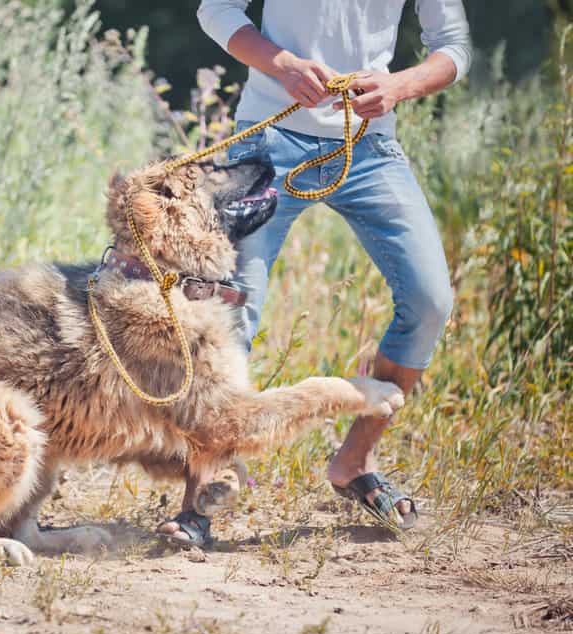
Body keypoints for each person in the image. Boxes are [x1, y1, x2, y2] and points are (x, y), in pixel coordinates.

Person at [158, 0, 472, 546]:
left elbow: (454, 45)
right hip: (267, 140)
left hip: (370, 146)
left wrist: (399, 86)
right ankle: (199, 497)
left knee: (430, 301)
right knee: (231, 312)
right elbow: (216, 10)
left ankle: (355, 461)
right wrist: (280, 64)